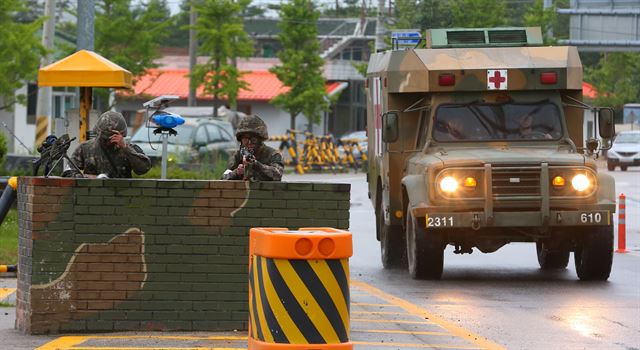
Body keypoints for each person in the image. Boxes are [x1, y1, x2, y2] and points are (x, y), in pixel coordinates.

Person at [64, 111, 152, 178]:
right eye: (104, 139)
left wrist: (126, 149)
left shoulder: (129, 149)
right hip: (91, 195)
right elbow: (68, 172)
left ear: (121, 135)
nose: (108, 142)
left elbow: (143, 169)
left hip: (122, 195)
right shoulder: (85, 148)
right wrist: (88, 178)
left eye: (112, 138)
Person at [222, 114, 283, 181]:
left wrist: (256, 165)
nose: (249, 142)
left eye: (253, 138)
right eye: (245, 138)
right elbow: (223, 178)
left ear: (260, 138)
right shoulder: (238, 155)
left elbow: (277, 175)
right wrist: (237, 172)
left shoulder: (273, 154)